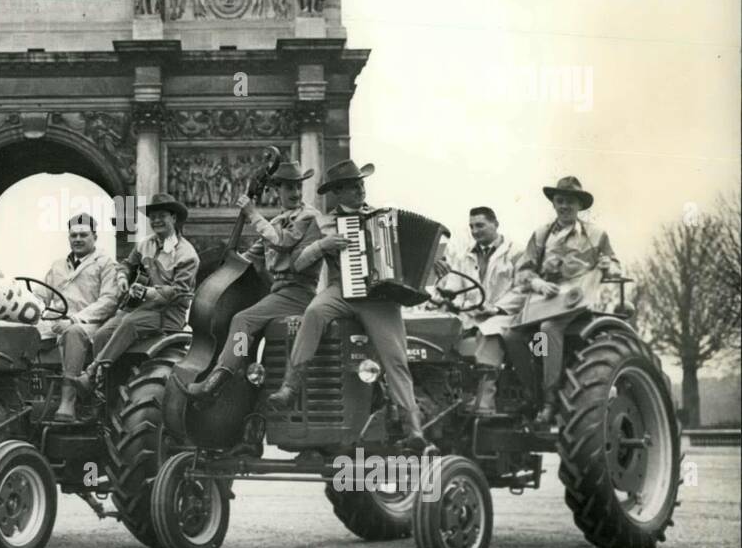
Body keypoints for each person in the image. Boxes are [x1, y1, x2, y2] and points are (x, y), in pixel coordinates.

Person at [265, 161, 429, 451]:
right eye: (352, 186)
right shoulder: (323, 223)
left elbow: (413, 257)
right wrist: (322, 246)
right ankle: (290, 386)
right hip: (341, 290)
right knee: (314, 312)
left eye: (361, 184)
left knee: (395, 357)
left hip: (378, 297)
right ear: (337, 193)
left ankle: (413, 429)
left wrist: (433, 263)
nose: (360, 190)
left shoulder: (383, 218)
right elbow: (299, 263)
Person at [185, 162, 320, 404]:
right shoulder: (278, 220)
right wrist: (225, 269)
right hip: (279, 294)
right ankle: (240, 381)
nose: (296, 193)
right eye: (289, 187)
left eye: (298, 187)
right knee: (244, 325)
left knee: (242, 320)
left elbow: (281, 242)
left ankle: (219, 378)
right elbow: (249, 257)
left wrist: (252, 214)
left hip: (297, 294)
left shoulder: (309, 216)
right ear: (276, 190)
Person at [514, 176, 619, 426]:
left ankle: (550, 401)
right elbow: (524, 270)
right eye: (559, 201)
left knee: (549, 329)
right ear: (553, 204)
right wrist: (537, 282)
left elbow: (614, 263)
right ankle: (532, 391)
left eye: (570, 201)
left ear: (579, 205)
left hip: (577, 301)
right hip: (545, 299)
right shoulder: (541, 235)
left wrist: (608, 267)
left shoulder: (595, 235)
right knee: (512, 335)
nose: (564, 206)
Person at [70, 194, 198, 394]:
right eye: (153, 216)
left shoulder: (187, 255)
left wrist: (149, 292)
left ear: (174, 218)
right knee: (103, 333)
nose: (156, 220)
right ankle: (104, 391)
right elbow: (127, 264)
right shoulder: (145, 244)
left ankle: (92, 373)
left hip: (169, 313)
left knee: (129, 324)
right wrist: (122, 277)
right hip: (142, 309)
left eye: (162, 215)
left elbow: (180, 292)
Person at [433, 206, 524, 415]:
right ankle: (446, 398)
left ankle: (485, 399)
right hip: (471, 315)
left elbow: (523, 289)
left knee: (489, 332)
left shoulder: (516, 252)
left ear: (496, 224)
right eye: (472, 226)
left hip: (506, 316)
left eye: (480, 225)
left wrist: (496, 307)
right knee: (438, 330)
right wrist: (445, 296)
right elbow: (456, 285)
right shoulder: (466, 256)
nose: (475, 231)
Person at [41, 213, 120, 421]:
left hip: (90, 325)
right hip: (57, 322)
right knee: (25, 333)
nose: (77, 239)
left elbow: (109, 301)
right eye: (73, 235)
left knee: (74, 332)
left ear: (95, 236)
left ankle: (67, 402)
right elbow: (42, 293)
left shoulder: (105, 264)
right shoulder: (58, 265)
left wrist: (76, 319)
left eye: (83, 235)